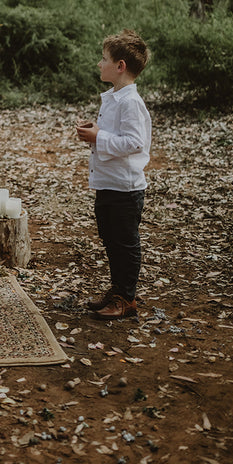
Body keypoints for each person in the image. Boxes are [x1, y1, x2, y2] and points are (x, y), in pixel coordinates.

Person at [76, 29, 152, 321]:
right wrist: (96, 130)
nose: (99, 63)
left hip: (125, 188)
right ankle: (117, 289)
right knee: (111, 240)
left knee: (125, 242)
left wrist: (98, 137)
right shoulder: (116, 97)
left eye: (104, 59)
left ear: (120, 66)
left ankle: (126, 298)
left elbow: (134, 143)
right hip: (108, 184)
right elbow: (117, 134)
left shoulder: (130, 102)